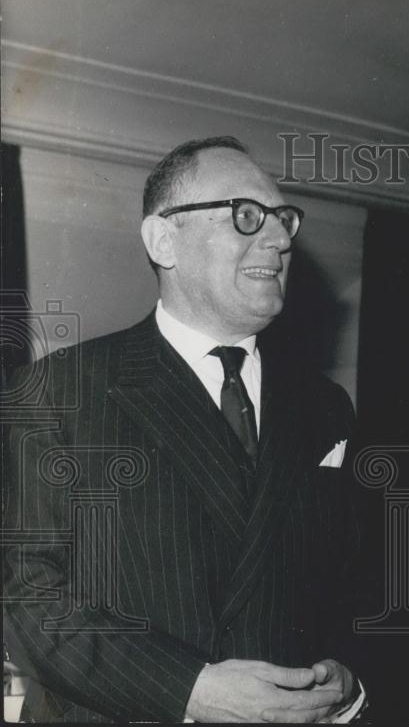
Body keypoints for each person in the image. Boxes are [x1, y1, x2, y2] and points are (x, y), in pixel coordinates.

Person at [2, 137, 367, 722]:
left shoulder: (326, 406)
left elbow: (357, 581)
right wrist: (191, 689)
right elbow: (31, 596)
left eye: (283, 220)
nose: (278, 239)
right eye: (247, 216)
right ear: (163, 240)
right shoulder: (57, 393)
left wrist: (348, 677)